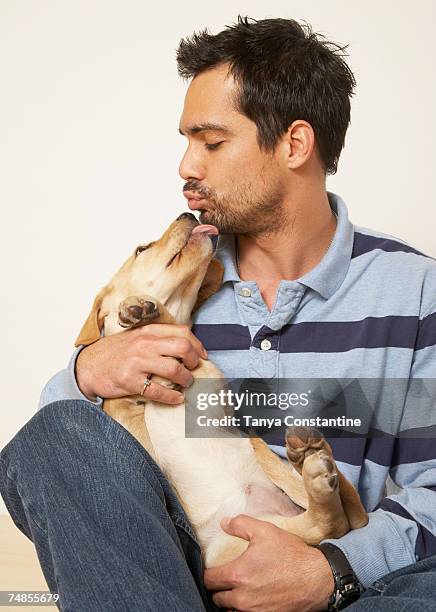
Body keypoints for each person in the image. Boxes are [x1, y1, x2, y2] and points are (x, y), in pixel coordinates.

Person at [1, 15, 436, 612]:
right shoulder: (166, 295)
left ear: (294, 144)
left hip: (349, 592)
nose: (187, 165)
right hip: (182, 586)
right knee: (55, 436)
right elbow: (62, 480)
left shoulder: (414, 292)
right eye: (185, 141)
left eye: (211, 142)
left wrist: (331, 570)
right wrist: (86, 374)